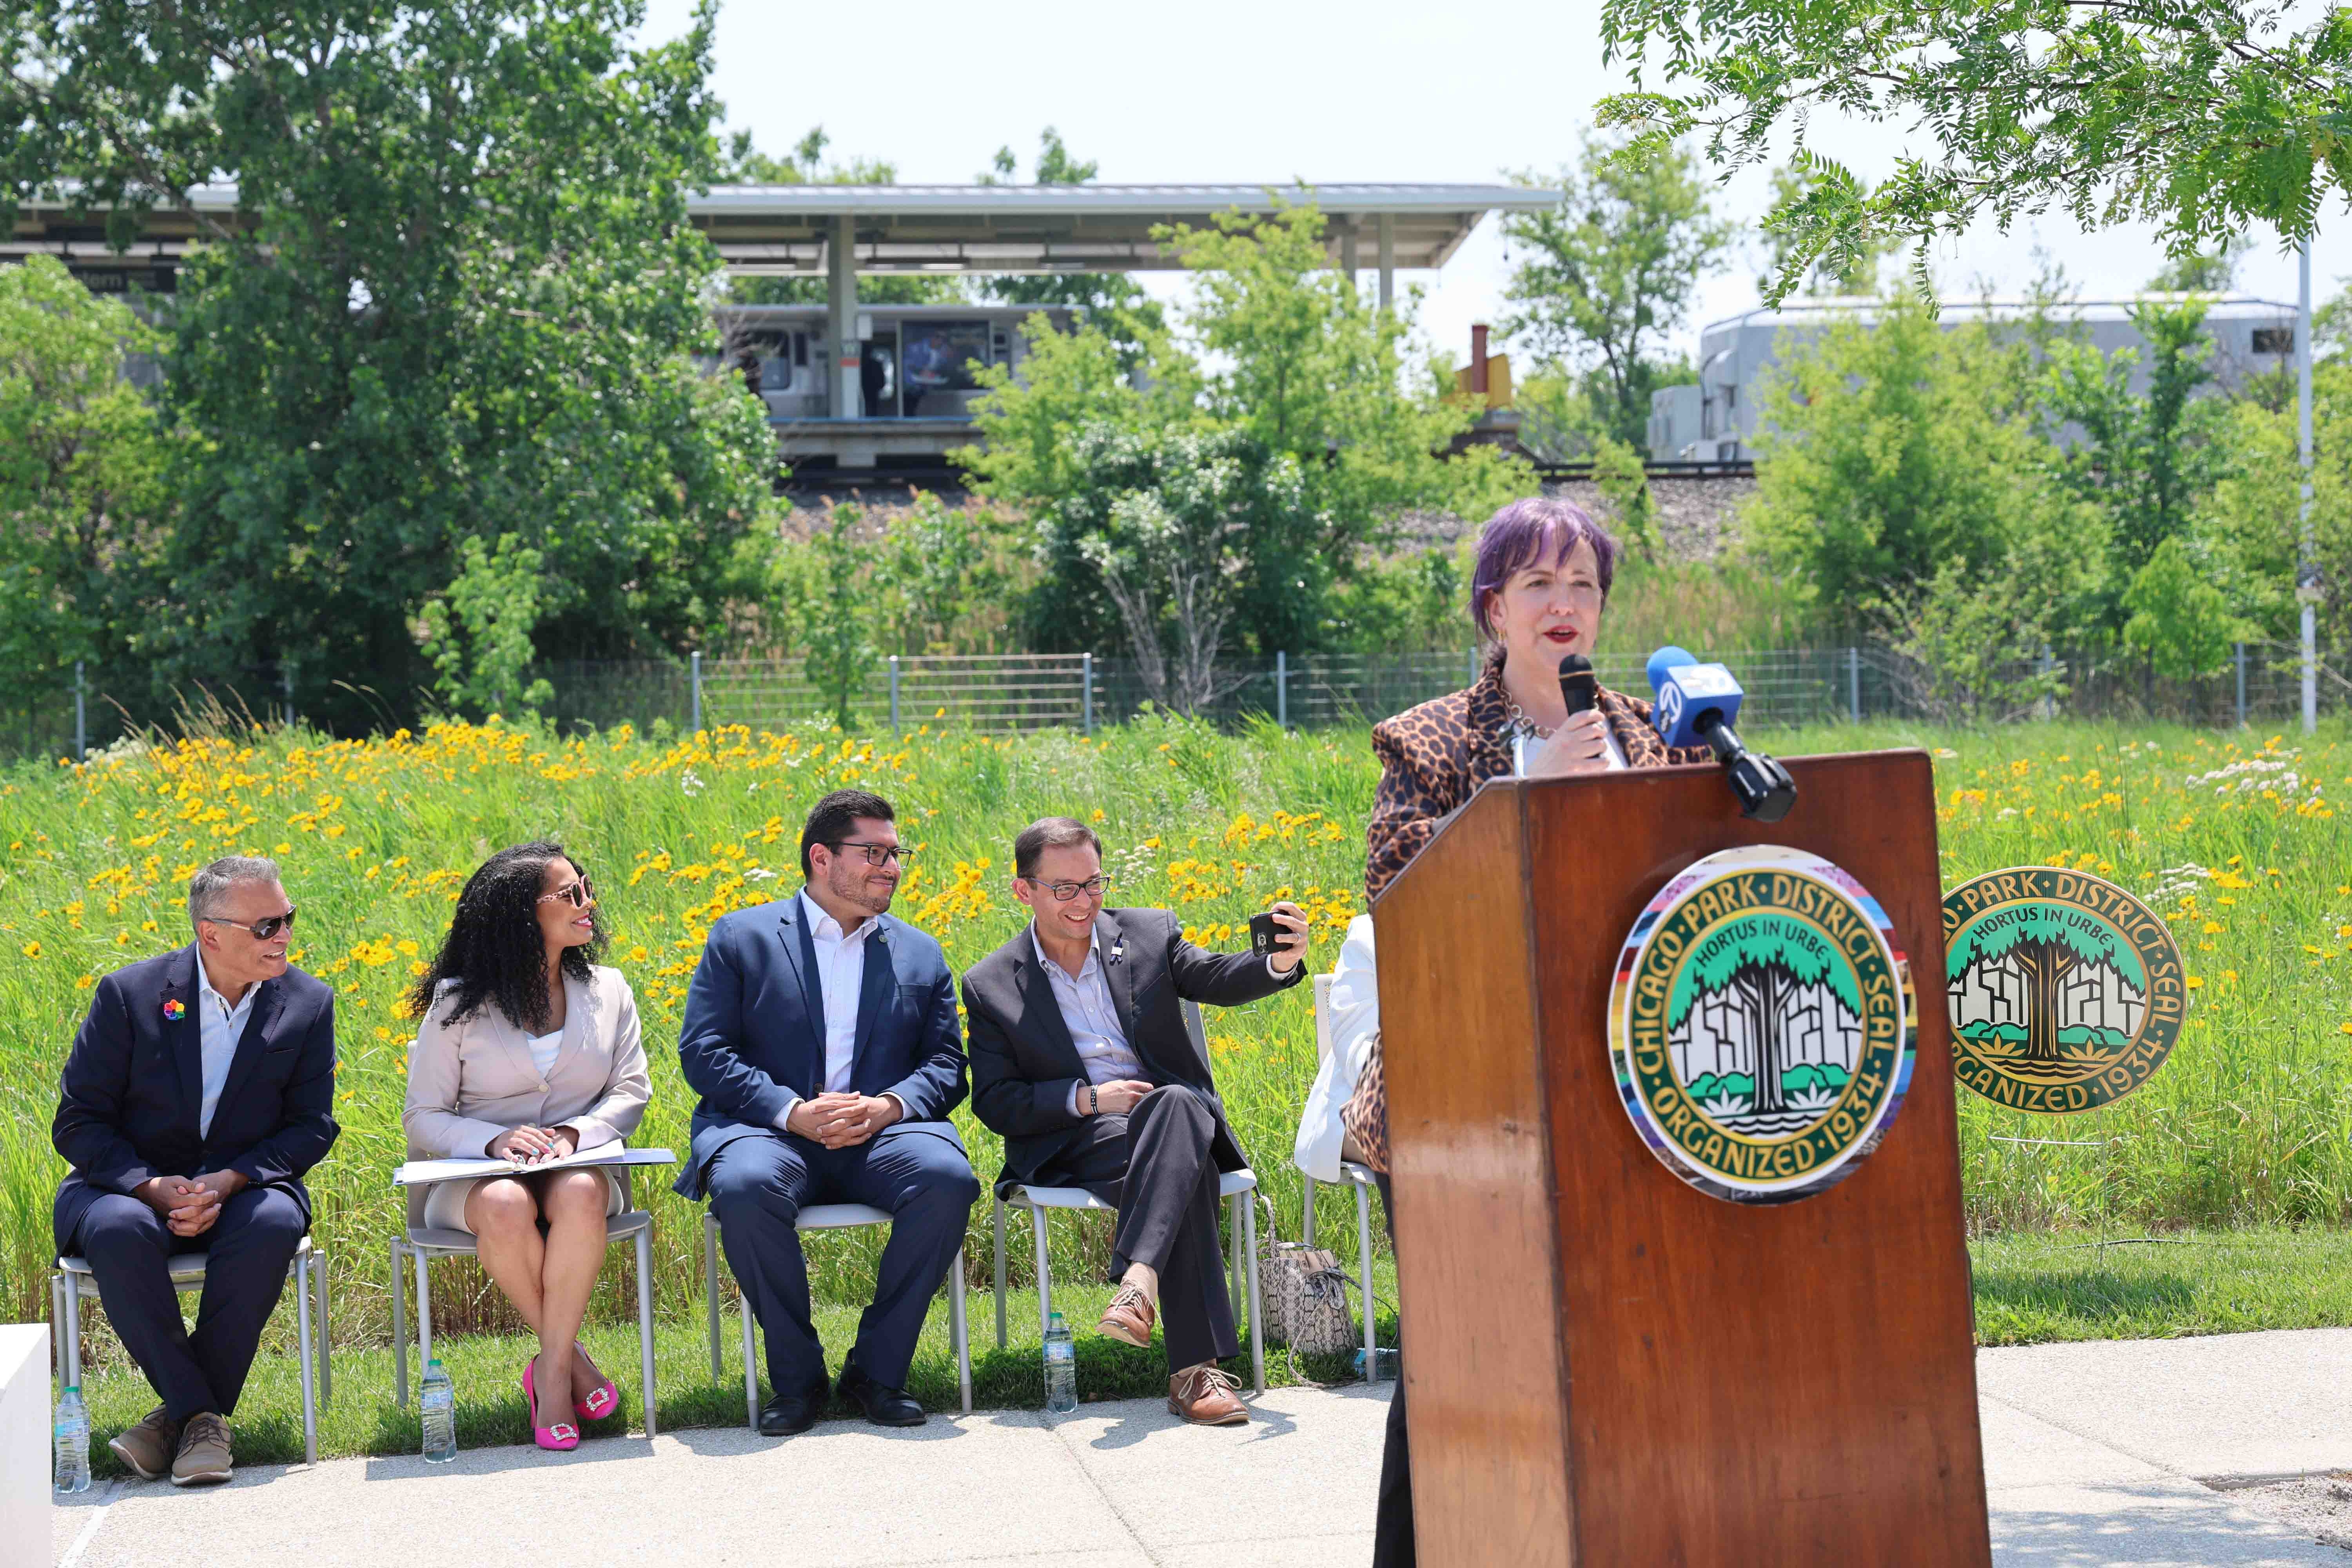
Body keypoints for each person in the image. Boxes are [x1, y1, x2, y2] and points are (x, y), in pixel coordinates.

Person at [1345, 496, 1713, 1565]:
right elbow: (1396, 890)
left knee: (1620, 1347)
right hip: (1459, 1103)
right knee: (1462, 1363)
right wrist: (1520, 792)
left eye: (1584, 586)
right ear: (1494, 608)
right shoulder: (1426, 741)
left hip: (1625, 1099)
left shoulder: (1653, 735)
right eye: (1540, 586)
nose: (1565, 605)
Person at [964, 817, 1309, 1426]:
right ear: (1025, 892)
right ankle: (1193, 1372)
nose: (1084, 901)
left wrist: (1276, 964)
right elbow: (996, 1102)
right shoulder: (992, 984)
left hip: (1164, 1124)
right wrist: (1090, 1101)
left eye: (1093, 883)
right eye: (1064, 888)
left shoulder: (1148, 932)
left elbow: (1216, 977)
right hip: (1077, 1138)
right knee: (1187, 1159)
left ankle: (1140, 1281)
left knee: (1175, 1107)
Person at [675, 788, 978, 1435]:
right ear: (821, 857)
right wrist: (790, 1111)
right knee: (745, 1186)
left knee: (947, 1179)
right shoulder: (743, 937)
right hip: (771, 1134)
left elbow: (948, 1065)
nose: (891, 866)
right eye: (873, 852)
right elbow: (704, 1051)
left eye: (896, 854)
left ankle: (877, 1372)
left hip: (882, 1138)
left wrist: (889, 1105)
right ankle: (798, 1381)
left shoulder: (920, 952)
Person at [51, 856, 338, 1487]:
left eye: (287, 919)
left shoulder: (309, 1003)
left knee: (273, 1222)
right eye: (267, 926)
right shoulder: (128, 996)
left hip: (244, 1190)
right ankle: (201, 1419)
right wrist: (149, 1186)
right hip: (127, 1189)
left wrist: (231, 1179)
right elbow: (78, 1122)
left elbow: (312, 1127)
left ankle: (173, 1423)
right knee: (120, 1230)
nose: (284, 935)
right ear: (212, 933)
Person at [402, 842, 650, 1452]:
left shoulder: (609, 989)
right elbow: (423, 1118)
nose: (588, 903)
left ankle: (551, 1371)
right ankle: (568, 1372)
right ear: (521, 915)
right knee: (509, 1204)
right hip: (477, 1181)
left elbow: (631, 1092)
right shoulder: (457, 1002)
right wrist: (494, 1140)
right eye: (569, 895)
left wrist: (574, 1135)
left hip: (578, 1167)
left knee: (584, 1190)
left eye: (586, 887)